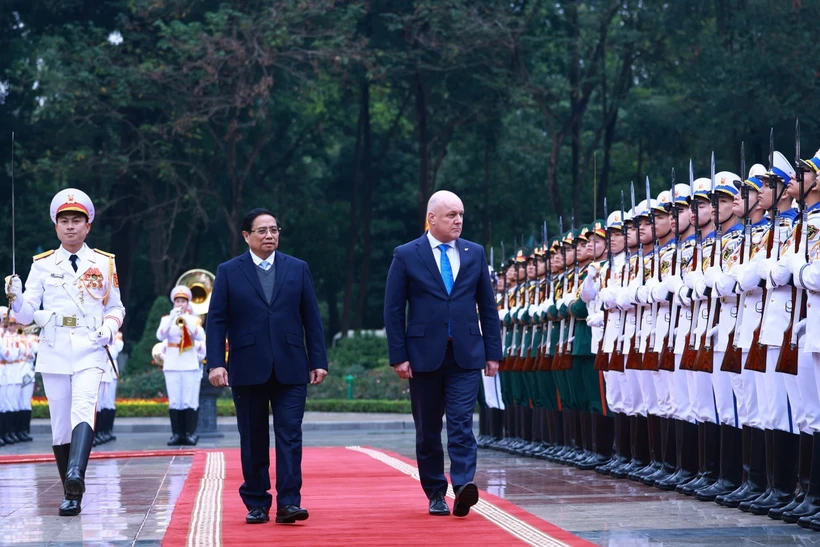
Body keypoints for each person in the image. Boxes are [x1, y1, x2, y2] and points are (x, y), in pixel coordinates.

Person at [5, 188, 125, 516]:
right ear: (56, 227)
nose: (70, 226)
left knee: (84, 407)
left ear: (88, 226)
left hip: (90, 345)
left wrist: (109, 328)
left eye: (77, 220)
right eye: (64, 221)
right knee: (59, 424)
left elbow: (116, 307)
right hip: (55, 346)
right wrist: (15, 299)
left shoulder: (103, 262)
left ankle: (77, 474)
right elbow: (27, 315)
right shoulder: (42, 265)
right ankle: (70, 493)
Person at [383, 190, 502, 518]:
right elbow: (393, 309)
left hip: (465, 353)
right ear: (432, 218)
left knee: (463, 421)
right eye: (451, 215)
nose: (459, 220)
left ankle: (463, 485)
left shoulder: (474, 253)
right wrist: (398, 355)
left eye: (461, 214)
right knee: (428, 428)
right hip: (422, 355)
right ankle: (435, 491)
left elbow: (487, 307)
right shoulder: (407, 254)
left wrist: (494, 352)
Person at [205, 208, 327, 525]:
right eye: (262, 231)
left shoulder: (297, 269)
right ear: (246, 236)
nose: (269, 235)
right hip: (247, 367)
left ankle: (289, 503)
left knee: (289, 436)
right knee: (253, 438)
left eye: (274, 229)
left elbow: (311, 319)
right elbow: (216, 322)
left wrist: (318, 360)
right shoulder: (229, 271)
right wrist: (216, 363)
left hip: (291, 366)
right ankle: (257, 501)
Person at [157, 286, 205, 446]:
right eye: (177, 301)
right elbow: (160, 335)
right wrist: (172, 318)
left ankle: (189, 434)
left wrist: (187, 322)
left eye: (183, 301)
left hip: (189, 363)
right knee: (175, 400)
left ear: (187, 303)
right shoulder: (166, 319)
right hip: (172, 364)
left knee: (189, 400)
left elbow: (200, 336)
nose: (180, 304)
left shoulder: (194, 319)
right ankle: (176, 434)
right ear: (174, 303)